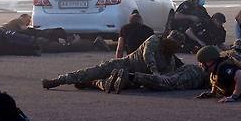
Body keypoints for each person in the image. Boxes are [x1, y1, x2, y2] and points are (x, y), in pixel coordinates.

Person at [41, 30, 186, 90]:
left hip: (134, 78)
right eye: (171, 43)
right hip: (126, 63)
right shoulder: (155, 40)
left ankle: (90, 83)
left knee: (111, 85)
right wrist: (155, 72)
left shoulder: (170, 61)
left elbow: (166, 77)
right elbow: (147, 55)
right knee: (94, 71)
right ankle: (58, 81)